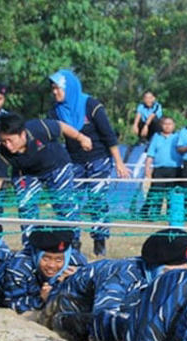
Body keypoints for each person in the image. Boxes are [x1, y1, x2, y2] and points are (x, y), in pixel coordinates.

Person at [42, 228, 187, 341]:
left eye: (183, 273)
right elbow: (103, 321)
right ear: (152, 267)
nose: (177, 280)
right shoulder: (122, 276)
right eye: (169, 273)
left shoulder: (181, 280)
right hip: (69, 309)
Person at [48, 69, 129, 256]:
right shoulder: (55, 111)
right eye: (52, 89)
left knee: (97, 200)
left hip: (98, 159)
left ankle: (99, 241)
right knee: (70, 201)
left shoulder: (91, 105)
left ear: (70, 88)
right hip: (73, 161)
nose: (55, 92)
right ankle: (73, 242)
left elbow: (109, 135)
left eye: (58, 88)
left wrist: (119, 163)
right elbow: (52, 136)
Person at [0, 113, 86, 243]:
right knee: (25, 207)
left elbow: (61, 126)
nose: (7, 145)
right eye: (3, 141)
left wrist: (81, 138)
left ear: (22, 134)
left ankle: (72, 243)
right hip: (26, 173)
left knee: (64, 206)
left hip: (56, 165)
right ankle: (31, 245)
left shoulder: (38, 127)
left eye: (10, 140)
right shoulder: (4, 152)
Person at [0, 228, 87, 314]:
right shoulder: (19, 268)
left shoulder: (77, 264)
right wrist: (41, 299)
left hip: (33, 292)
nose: (51, 265)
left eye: (59, 260)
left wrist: (75, 281)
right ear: (37, 255)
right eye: (46, 259)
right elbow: (13, 305)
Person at [141, 117, 181, 218]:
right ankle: (155, 214)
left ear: (174, 125)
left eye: (170, 124)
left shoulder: (178, 137)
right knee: (157, 193)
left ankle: (170, 215)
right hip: (159, 170)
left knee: (172, 194)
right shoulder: (156, 137)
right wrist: (147, 169)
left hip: (175, 170)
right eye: (165, 124)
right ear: (161, 125)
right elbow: (150, 154)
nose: (167, 126)